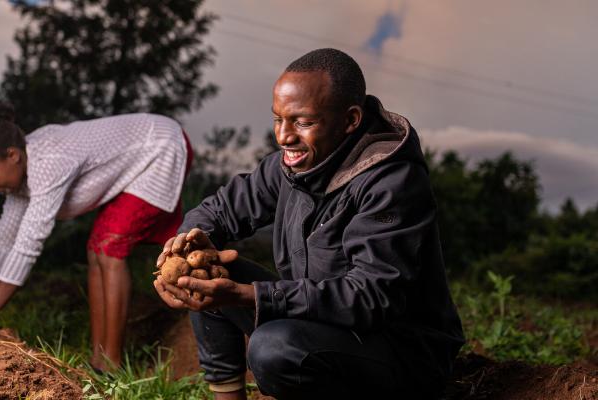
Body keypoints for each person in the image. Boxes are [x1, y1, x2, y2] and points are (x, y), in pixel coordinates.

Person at [154, 48, 464, 399]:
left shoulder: (392, 182)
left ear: (350, 120)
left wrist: (253, 296)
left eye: (303, 122)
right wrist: (187, 242)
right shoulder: (290, 167)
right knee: (204, 274)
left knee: (275, 349)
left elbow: (371, 297)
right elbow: (218, 209)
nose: (284, 136)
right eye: (278, 119)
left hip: (402, 352)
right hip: (323, 323)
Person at [0, 104, 193, 371]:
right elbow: (4, 242)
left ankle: (110, 365)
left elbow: (27, 246)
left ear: (12, 155)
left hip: (160, 147)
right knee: (96, 248)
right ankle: (99, 359)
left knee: (108, 247)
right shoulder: (18, 175)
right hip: (144, 153)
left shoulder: (48, 163)